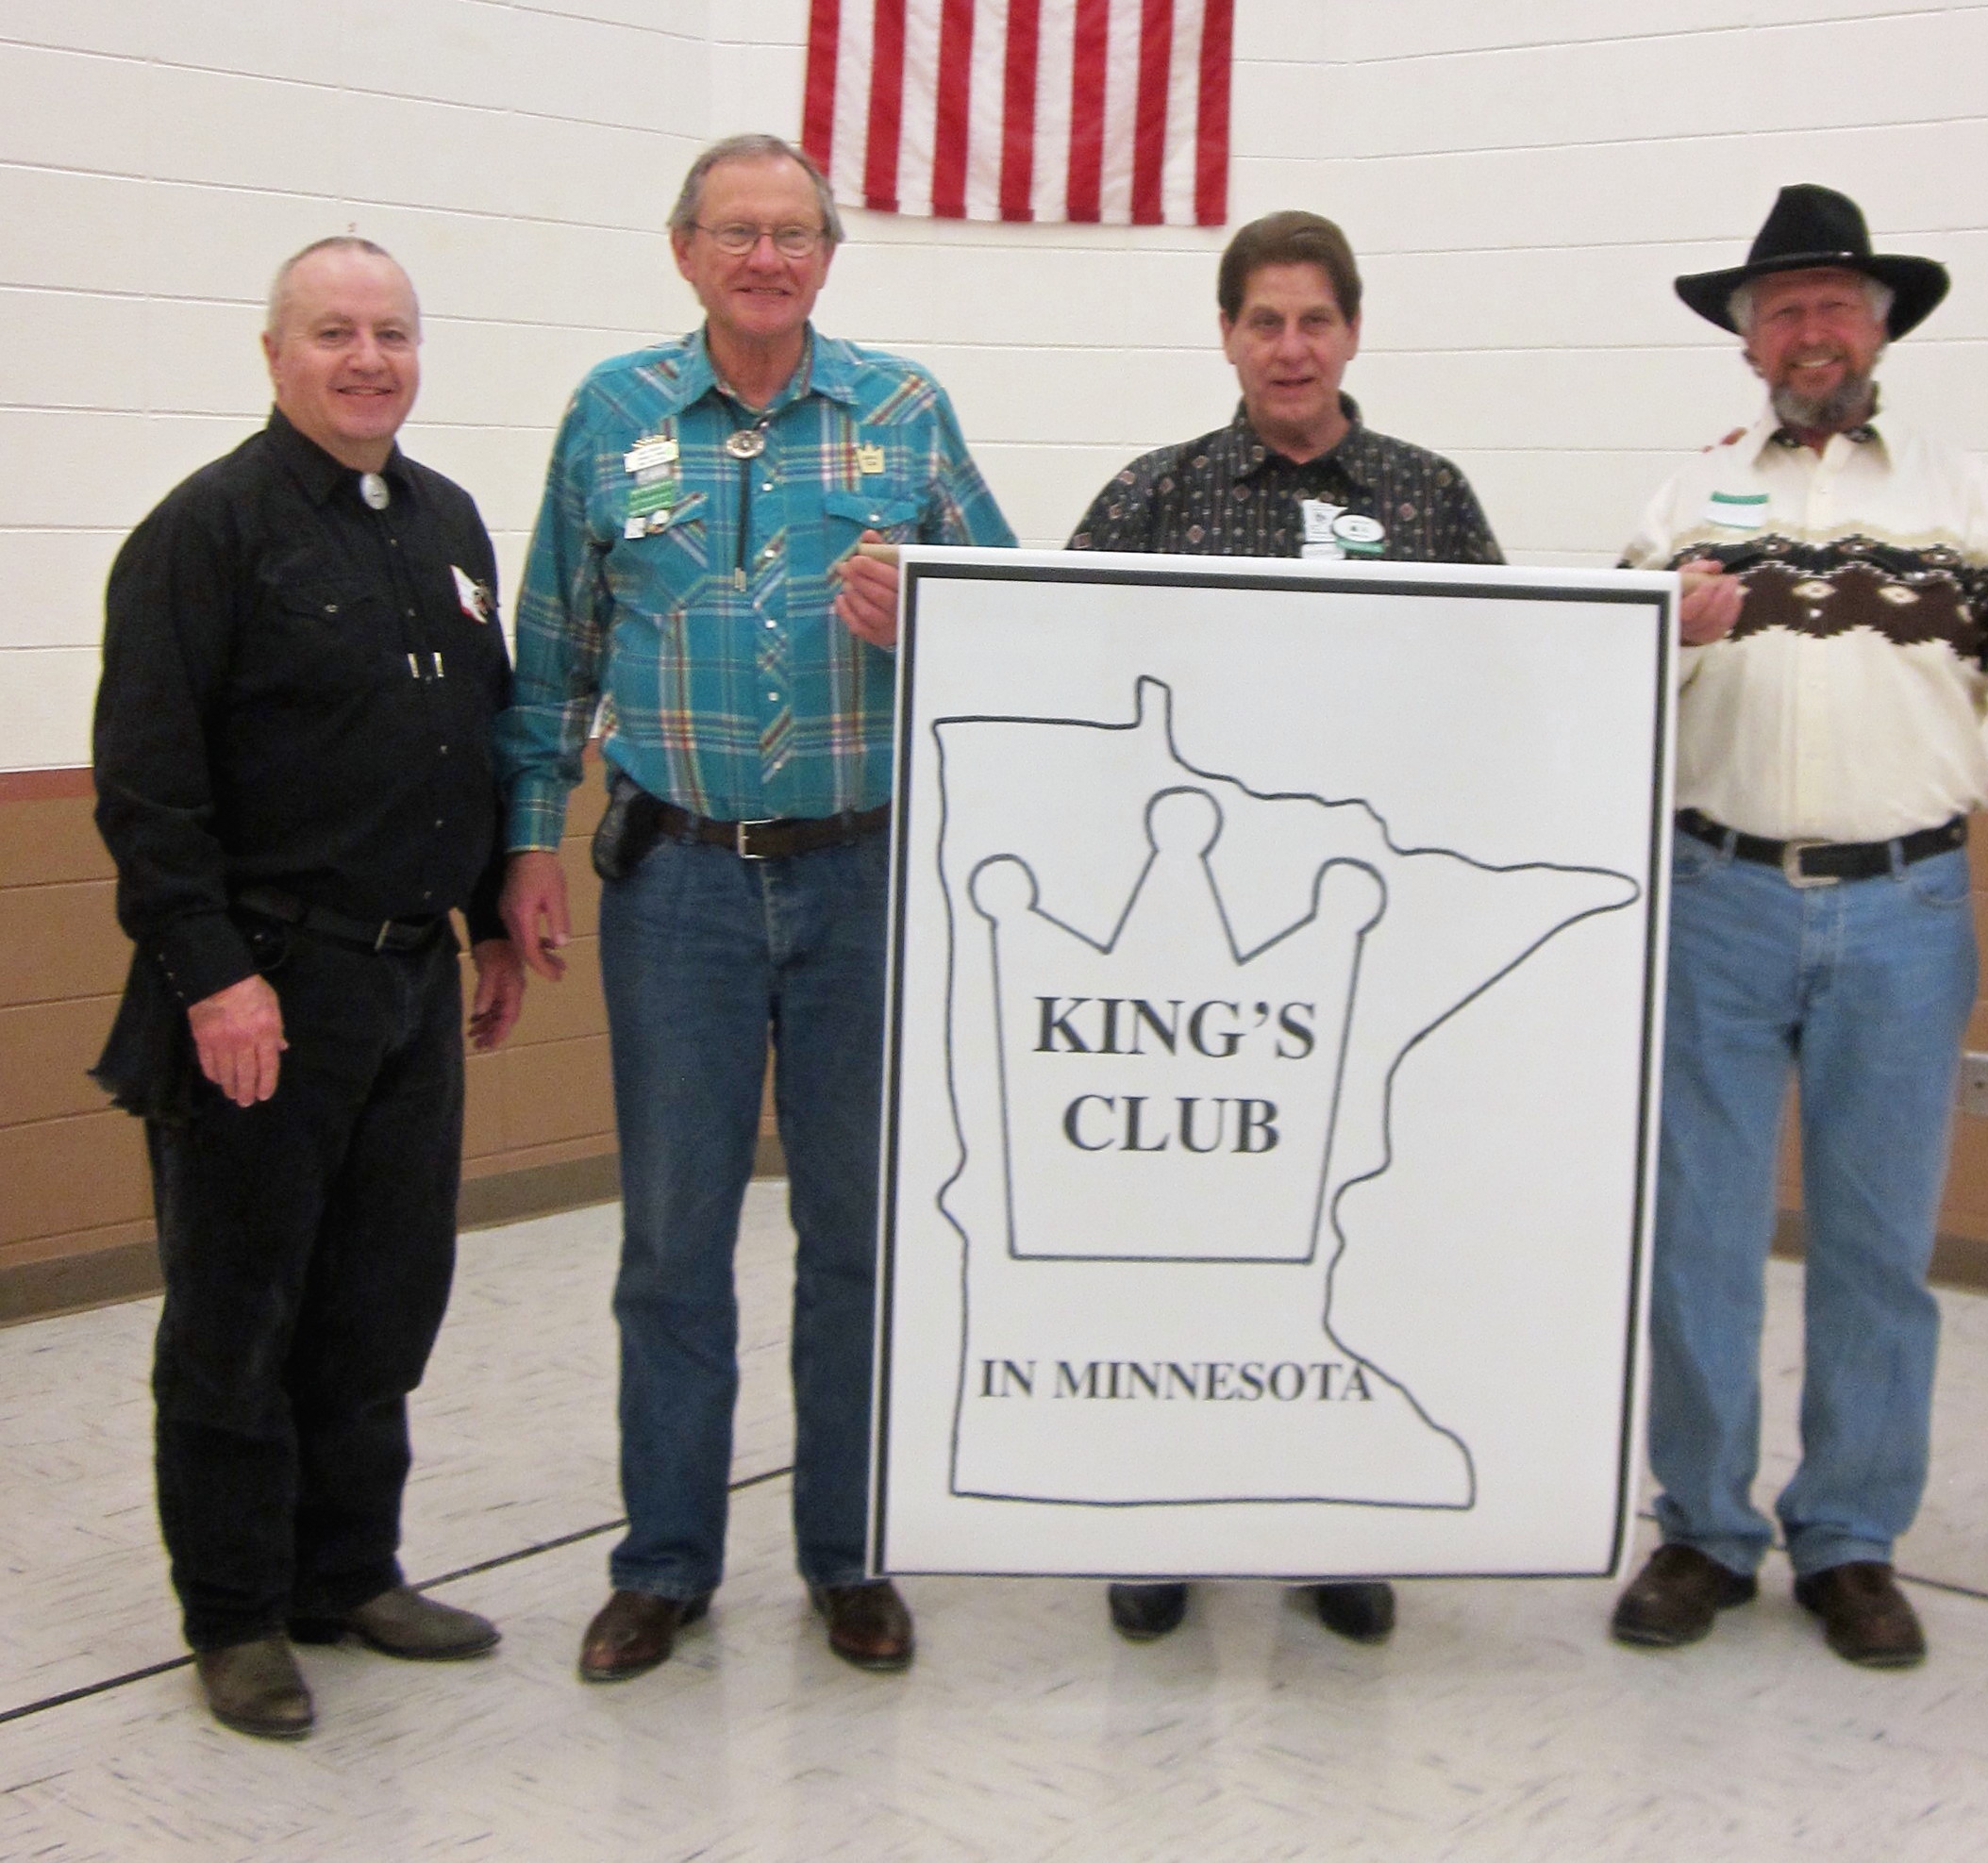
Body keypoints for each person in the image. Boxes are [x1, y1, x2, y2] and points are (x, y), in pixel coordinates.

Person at [845, 208, 1505, 1646]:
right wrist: (927, 620)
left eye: (1314, 320)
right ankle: (1158, 1515)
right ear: (1226, 335)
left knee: (1342, 1218)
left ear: (1352, 331)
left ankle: (1330, 1523)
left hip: (1356, 932)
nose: (1291, 348)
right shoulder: (1155, 494)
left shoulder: (1431, 499)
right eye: (1264, 321)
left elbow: (1507, 676)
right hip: (1171, 958)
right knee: (1173, 1223)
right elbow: (1045, 649)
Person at [496, 134, 1016, 1685]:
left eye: (795, 234)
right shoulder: (612, 414)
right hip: (678, 887)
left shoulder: (904, 409)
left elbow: (1017, 611)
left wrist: (934, 608)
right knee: (673, 1244)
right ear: (685, 252)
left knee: (856, 1237)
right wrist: (528, 844)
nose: (768, 259)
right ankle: (664, 1564)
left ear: (829, 257)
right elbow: (552, 655)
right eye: (738, 233)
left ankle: (849, 1556)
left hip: (863, 880)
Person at [1606, 185, 1988, 1668]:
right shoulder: (1679, 506)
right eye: (1784, 309)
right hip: (1714, 901)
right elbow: (1603, 704)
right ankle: (1702, 1528)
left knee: (1879, 1247)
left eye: (1836, 303)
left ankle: (1848, 1537)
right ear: (1746, 339)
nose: (1811, 330)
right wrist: (1674, 640)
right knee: (1698, 1239)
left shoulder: (1975, 507)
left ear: (1882, 326)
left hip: (1907, 912)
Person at [92, 237, 524, 1739]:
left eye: (391, 333)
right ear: (274, 353)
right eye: (334, 332)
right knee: (241, 1311)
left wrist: (486, 919)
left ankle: (350, 1574)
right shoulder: (203, 533)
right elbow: (148, 787)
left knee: (382, 1299)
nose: (368, 360)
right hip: (268, 987)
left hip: (410, 986)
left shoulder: (446, 521)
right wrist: (212, 977)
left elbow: (471, 736)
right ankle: (236, 1615)